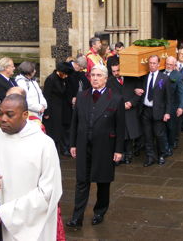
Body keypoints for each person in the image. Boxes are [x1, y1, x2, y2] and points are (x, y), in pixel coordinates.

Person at [0, 94, 62, 240]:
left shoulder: (44, 144)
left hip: (32, 224)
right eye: (0, 113)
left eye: (10, 115)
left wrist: (10, 213)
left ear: (25, 115)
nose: (3, 119)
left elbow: (49, 191)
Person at [67, 65, 124, 227]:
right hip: (83, 144)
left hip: (105, 146)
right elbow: (75, 123)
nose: (95, 78)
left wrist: (119, 149)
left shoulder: (116, 98)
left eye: (99, 75)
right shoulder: (81, 96)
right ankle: (77, 216)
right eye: (92, 75)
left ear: (106, 78)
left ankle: (99, 212)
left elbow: (120, 126)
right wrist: (72, 144)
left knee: (103, 182)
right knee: (81, 181)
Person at [135, 55, 172, 167]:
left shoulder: (164, 78)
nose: (152, 65)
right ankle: (150, 157)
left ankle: (161, 155)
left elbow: (168, 98)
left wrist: (167, 112)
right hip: (146, 110)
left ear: (158, 64)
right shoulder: (145, 77)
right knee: (147, 135)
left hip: (158, 111)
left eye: (154, 63)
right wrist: (136, 90)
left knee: (159, 134)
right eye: (150, 63)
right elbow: (140, 90)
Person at [107, 63, 142, 164]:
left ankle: (129, 154)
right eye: (113, 71)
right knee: (121, 134)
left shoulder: (131, 78)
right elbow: (109, 97)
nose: (116, 73)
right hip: (118, 111)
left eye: (118, 70)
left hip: (131, 110)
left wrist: (131, 103)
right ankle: (120, 155)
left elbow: (139, 93)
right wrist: (121, 105)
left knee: (130, 133)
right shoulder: (110, 81)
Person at [43, 62, 74, 156]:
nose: (66, 76)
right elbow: (46, 96)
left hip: (61, 108)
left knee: (60, 130)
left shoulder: (63, 79)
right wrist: (46, 112)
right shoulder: (51, 79)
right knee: (54, 131)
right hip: (52, 109)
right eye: (64, 74)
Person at [162, 56, 183, 152]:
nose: (169, 66)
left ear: (174, 65)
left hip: (172, 105)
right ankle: (164, 145)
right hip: (161, 105)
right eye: (167, 64)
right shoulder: (160, 73)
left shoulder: (178, 75)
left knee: (171, 127)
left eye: (171, 64)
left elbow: (182, 92)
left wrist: (181, 107)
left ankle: (170, 145)